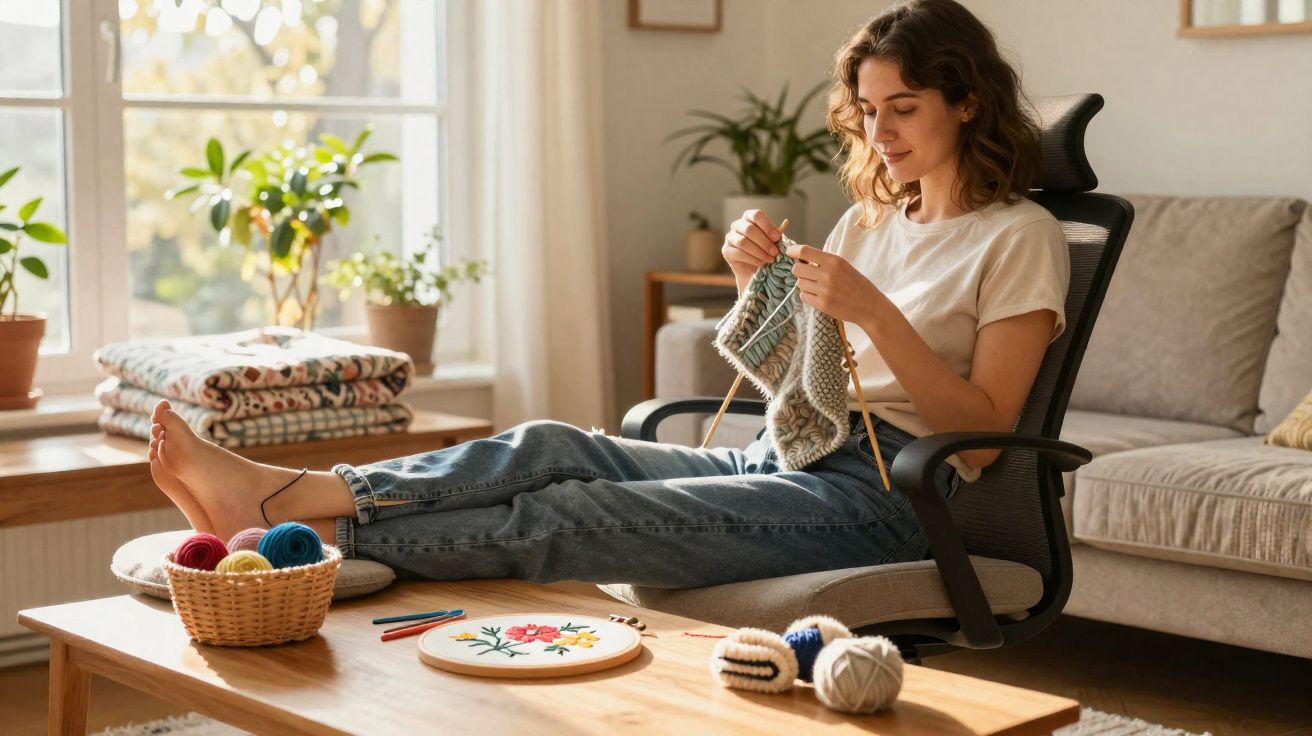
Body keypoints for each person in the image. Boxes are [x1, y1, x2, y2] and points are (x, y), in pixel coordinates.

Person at [148, 0, 1068, 589]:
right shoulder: (873, 221)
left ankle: (292, 549)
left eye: (902, 108)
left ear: (967, 102)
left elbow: (983, 439)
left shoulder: (1020, 237)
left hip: (887, 498)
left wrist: (873, 313)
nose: (881, 131)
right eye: (868, 111)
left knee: (567, 516)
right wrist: (764, 288)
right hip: (787, 457)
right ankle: (292, 494)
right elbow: (809, 385)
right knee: (550, 444)